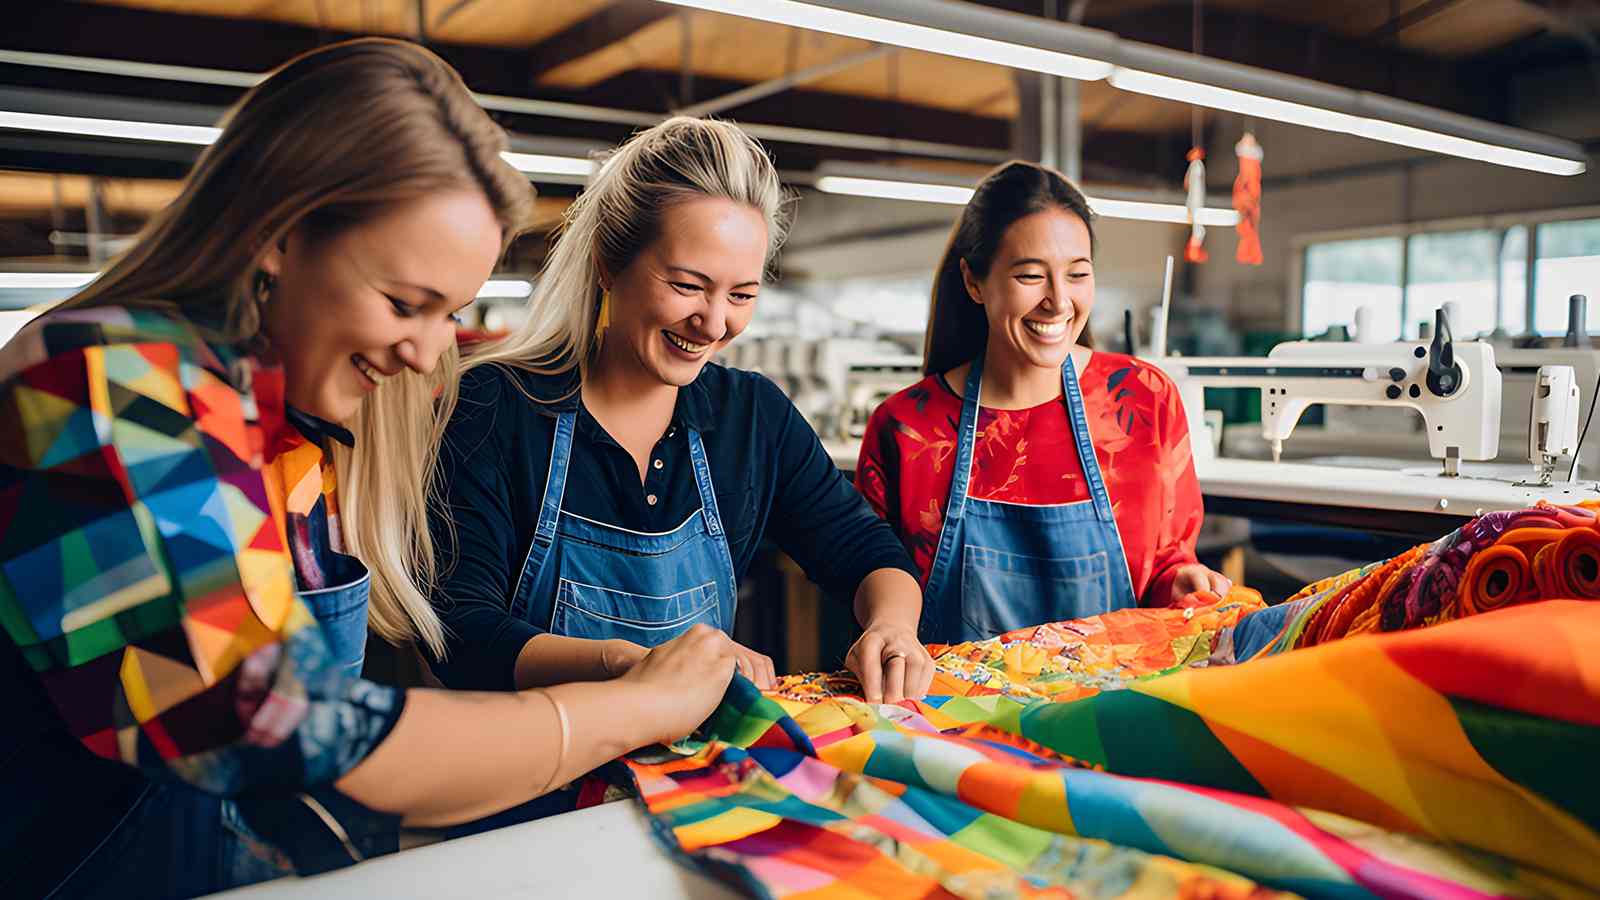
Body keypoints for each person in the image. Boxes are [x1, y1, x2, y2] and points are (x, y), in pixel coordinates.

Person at [0, 39, 739, 899]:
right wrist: (629, 710)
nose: (430, 352)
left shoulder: (282, 423)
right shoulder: (106, 385)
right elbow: (268, 729)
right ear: (280, 233)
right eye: (404, 304)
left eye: (450, 312)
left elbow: (325, 731)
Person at [408, 117, 934, 704]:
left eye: (741, 295)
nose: (713, 323)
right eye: (687, 286)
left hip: (693, 769)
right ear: (609, 262)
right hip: (536, 770)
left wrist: (893, 624)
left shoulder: (752, 416)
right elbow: (458, 634)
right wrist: (636, 665)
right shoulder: (492, 408)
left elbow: (863, 549)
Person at [856, 161, 1232, 644]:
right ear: (974, 282)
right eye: (1031, 276)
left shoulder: (1142, 402)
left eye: (1077, 274)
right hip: (955, 712)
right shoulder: (908, 429)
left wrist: (1181, 580)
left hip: (1109, 706)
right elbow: (869, 577)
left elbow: (1165, 563)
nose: (1058, 301)